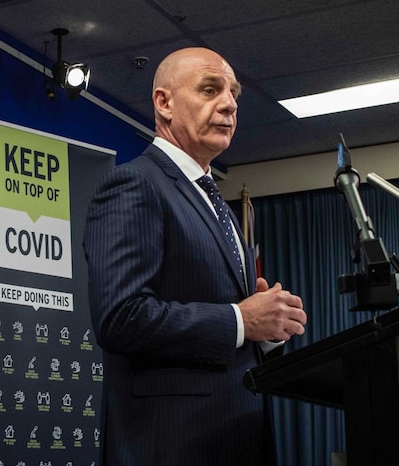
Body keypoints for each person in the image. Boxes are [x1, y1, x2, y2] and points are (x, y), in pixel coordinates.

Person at [83, 47, 307, 466]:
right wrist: (242, 320)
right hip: (171, 445)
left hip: (235, 437)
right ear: (164, 103)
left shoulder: (213, 199)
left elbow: (226, 330)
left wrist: (265, 329)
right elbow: (121, 318)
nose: (229, 104)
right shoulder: (135, 184)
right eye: (210, 89)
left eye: (233, 94)